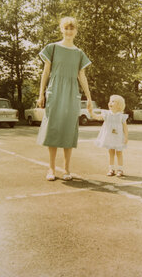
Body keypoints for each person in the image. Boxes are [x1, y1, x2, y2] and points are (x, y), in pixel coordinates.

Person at [36, 17, 93, 181]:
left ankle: (67, 169)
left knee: (69, 130)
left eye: (72, 28)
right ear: (61, 29)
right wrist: (41, 94)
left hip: (71, 94)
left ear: (76, 31)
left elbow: (82, 76)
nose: (69, 31)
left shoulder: (79, 53)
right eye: (66, 28)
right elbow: (45, 73)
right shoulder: (52, 48)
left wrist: (89, 98)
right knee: (52, 129)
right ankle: (51, 169)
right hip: (54, 92)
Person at [88, 95, 128, 177]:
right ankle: (111, 169)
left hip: (118, 137)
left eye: (113, 101)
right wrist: (91, 112)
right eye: (110, 101)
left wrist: (126, 137)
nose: (110, 103)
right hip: (110, 137)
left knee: (119, 152)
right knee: (111, 153)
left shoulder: (121, 116)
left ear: (119, 105)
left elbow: (125, 127)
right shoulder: (106, 114)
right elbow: (97, 117)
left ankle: (120, 169)